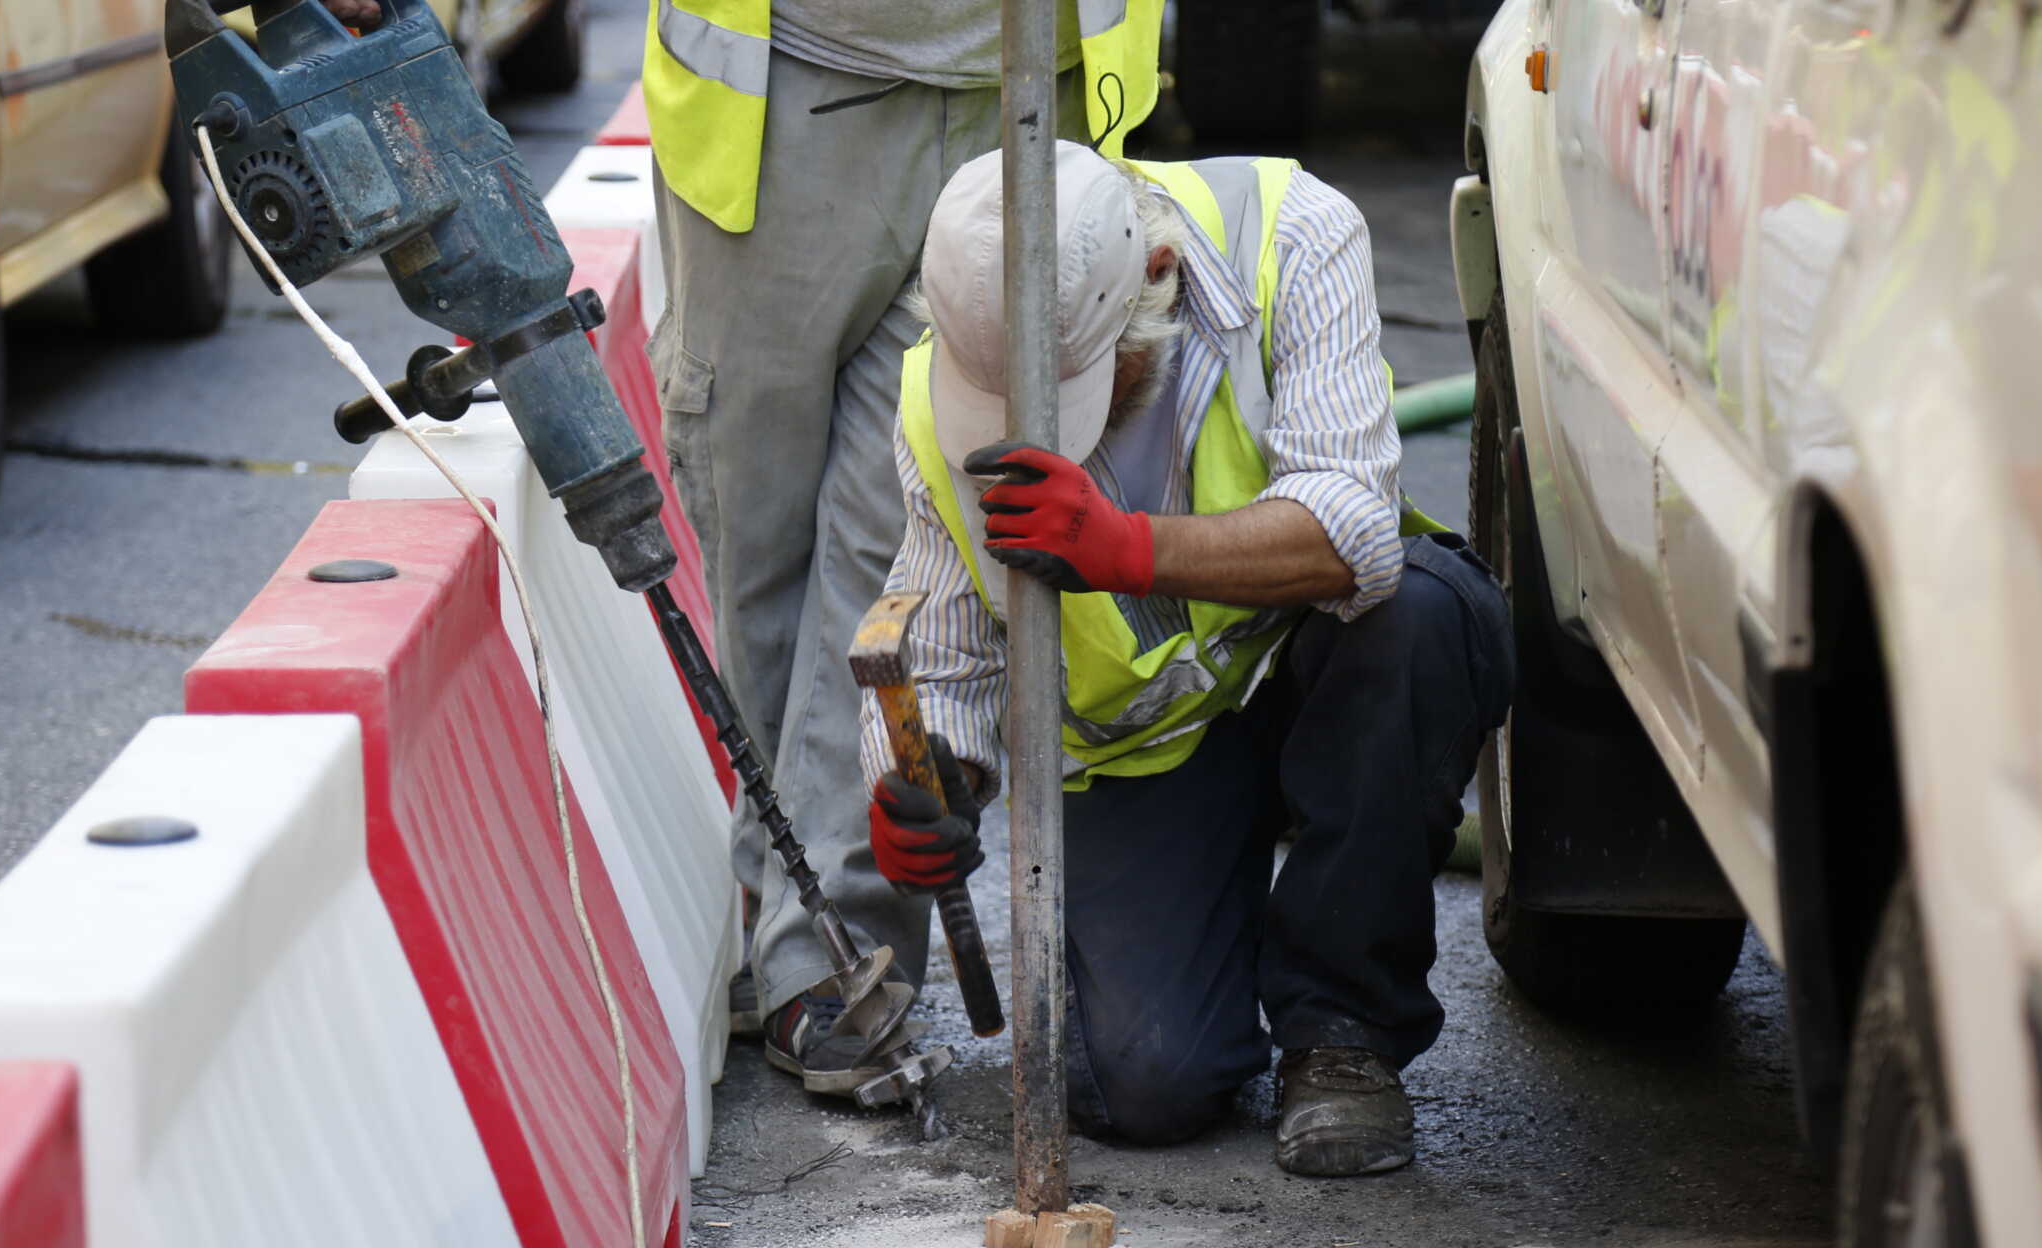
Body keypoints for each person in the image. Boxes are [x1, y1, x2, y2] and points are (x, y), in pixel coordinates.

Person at [859, 142, 1516, 1176]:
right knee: (1143, 1083)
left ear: (1156, 280)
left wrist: (1124, 549)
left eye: (1085, 386)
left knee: (1426, 616)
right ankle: (1216, 927)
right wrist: (929, 781)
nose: (1057, 431)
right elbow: (945, 648)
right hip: (1156, 749)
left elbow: (1354, 533)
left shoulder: (1289, 232)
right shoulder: (935, 390)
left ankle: (1341, 1031)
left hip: (1321, 663)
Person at [639, 4, 1164, 1095]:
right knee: (758, 527)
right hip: (788, 87)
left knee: (906, 524)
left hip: (1025, 81)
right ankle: (775, 896)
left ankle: (828, 948)